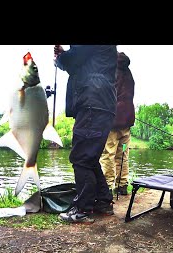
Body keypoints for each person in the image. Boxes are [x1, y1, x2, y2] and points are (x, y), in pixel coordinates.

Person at [54, 45, 117, 224]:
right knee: (89, 157)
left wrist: (61, 57)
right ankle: (103, 202)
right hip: (99, 104)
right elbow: (78, 62)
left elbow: (73, 59)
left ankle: (82, 209)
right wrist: (64, 57)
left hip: (93, 104)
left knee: (81, 157)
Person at [100, 51, 135, 196]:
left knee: (108, 153)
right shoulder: (129, 74)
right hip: (126, 122)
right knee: (123, 154)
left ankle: (107, 187)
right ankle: (122, 185)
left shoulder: (111, 72)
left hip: (112, 122)